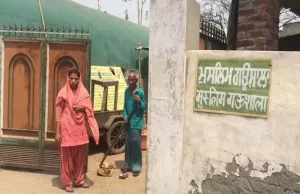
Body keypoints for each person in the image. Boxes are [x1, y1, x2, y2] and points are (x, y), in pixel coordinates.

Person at [55, 67, 99, 193]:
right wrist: (58, 132)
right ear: (68, 79)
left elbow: (90, 112)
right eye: (71, 78)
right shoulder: (62, 93)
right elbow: (58, 114)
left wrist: (83, 110)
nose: (73, 81)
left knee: (80, 156)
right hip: (67, 127)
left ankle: (79, 180)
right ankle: (67, 183)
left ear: (79, 79)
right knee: (66, 157)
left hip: (80, 129)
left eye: (76, 79)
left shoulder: (84, 94)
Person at [121, 70, 146, 178]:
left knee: (136, 145)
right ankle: (128, 165)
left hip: (136, 122)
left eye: (132, 80)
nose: (130, 81)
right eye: (129, 79)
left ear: (136, 80)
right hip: (128, 122)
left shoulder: (140, 92)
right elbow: (125, 106)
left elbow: (144, 107)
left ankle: (136, 167)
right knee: (128, 145)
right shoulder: (126, 91)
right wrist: (125, 116)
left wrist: (139, 101)